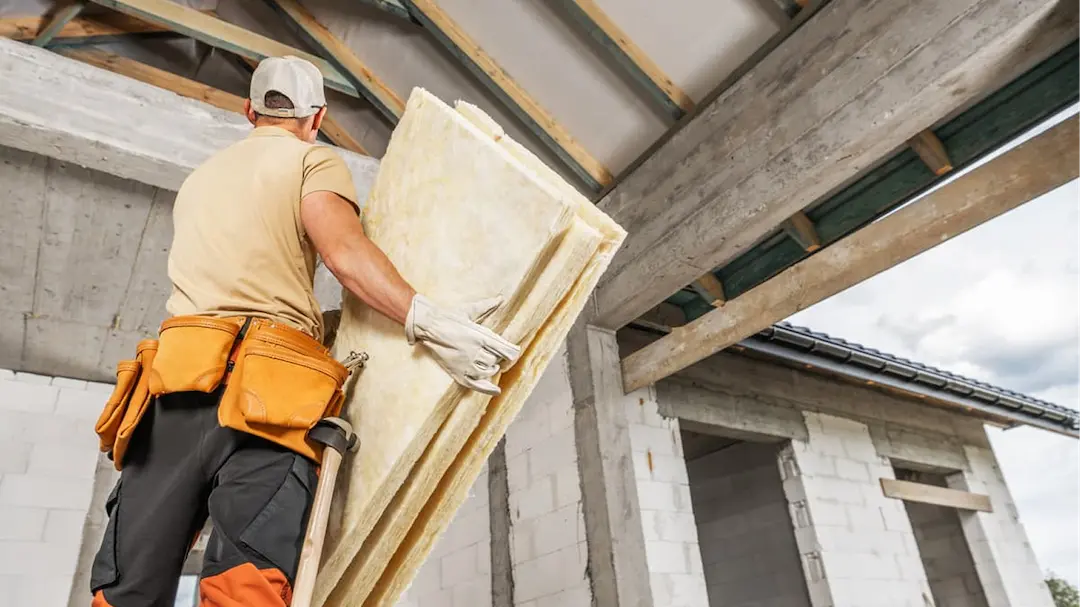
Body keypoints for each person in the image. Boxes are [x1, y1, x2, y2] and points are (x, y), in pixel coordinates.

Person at [89, 55, 520, 607]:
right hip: (269, 398)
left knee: (125, 588)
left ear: (250, 112)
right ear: (316, 118)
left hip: (173, 390)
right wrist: (425, 318)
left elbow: (245, 278)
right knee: (246, 588)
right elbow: (343, 252)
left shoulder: (199, 180)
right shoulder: (311, 160)